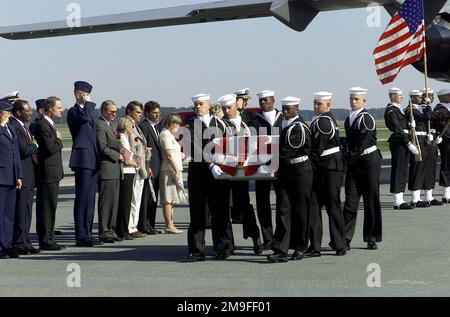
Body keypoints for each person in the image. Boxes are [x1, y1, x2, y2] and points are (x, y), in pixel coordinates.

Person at [183, 93, 233, 261]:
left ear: (208, 105)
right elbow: (193, 148)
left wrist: (225, 164)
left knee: (220, 211)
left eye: (201, 103)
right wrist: (210, 164)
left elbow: (228, 144)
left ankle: (223, 247)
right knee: (198, 213)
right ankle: (196, 250)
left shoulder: (220, 123)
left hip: (219, 172)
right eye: (195, 104)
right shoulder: (189, 125)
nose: (197, 106)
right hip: (199, 172)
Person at [267, 96, 313, 262]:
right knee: (283, 209)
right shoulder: (283, 124)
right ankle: (281, 248)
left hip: (300, 171)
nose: (285, 112)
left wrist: (266, 159)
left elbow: (289, 150)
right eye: (284, 108)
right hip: (285, 171)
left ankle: (300, 247)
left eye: (289, 109)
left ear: (297, 109)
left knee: (301, 210)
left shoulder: (299, 127)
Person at [220, 93, 263, 255]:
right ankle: (227, 245)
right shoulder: (220, 124)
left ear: (236, 106)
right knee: (223, 207)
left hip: (242, 171)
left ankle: (255, 237)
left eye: (229, 107)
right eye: (224, 108)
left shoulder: (247, 123)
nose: (226, 111)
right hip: (225, 170)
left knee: (245, 205)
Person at [342, 87, 382, 250]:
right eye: (351, 99)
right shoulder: (348, 119)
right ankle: (344, 238)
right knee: (350, 201)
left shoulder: (367, 119)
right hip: (355, 163)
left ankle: (371, 237)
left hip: (368, 162)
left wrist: (347, 158)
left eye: (356, 99)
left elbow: (362, 143)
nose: (353, 102)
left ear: (363, 101)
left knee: (370, 200)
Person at [307, 91, 346, 257]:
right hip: (324, 166)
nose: (316, 106)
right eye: (315, 103)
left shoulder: (323, 121)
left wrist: (308, 165)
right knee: (315, 207)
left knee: (332, 206)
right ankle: (315, 246)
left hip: (329, 167)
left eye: (319, 104)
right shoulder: (322, 119)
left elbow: (318, 148)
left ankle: (339, 244)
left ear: (328, 105)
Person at [249, 90, 283, 251]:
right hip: (262, 165)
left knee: (283, 203)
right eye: (261, 100)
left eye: (266, 100)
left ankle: (281, 238)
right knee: (262, 204)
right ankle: (268, 239)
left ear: (273, 100)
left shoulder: (282, 118)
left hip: (280, 165)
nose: (263, 103)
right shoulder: (255, 120)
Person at [67, 81, 99, 247]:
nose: (88, 97)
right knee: (82, 198)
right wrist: (89, 104)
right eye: (85, 94)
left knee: (90, 199)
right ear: (77, 94)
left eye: (89, 95)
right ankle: (80, 235)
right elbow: (84, 119)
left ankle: (88, 233)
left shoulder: (87, 112)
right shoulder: (74, 112)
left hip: (92, 159)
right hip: (82, 159)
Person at [34, 97, 65, 251]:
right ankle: (46, 240)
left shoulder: (49, 124)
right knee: (47, 207)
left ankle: (49, 237)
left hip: (53, 172)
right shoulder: (43, 125)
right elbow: (49, 148)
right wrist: (59, 140)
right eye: (59, 107)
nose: (61, 110)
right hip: (48, 173)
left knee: (50, 207)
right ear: (50, 108)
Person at [10, 100, 41, 254]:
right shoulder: (15, 127)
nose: (30, 112)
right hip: (23, 175)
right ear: (18, 112)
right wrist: (35, 145)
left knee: (27, 210)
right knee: (21, 210)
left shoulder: (24, 127)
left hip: (29, 175)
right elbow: (23, 150)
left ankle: (26, 241)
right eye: (27, 110)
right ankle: (19, 242)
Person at [384, 88, 416, 209]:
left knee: (403, 170)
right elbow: (397, 129)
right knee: (398, 170)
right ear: (392, 97)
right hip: (399, 142)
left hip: (403, 141)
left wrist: (410, 124)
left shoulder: (398, 110)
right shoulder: (391, 111)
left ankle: (401, 198)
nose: (401, 97)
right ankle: (397, 200)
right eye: (399, 95)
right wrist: (408, 143)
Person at [96, 100, 123, 243]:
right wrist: (117, 156)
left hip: (115, 169)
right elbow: (102, 147)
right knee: (106, 203)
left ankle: (111, 230)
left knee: (114, 202)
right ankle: (104, 231)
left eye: (115, 112)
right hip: (107, 168)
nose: (114, 114)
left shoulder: (111, 125)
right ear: (103, 111)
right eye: (111, 111)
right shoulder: (100, 125)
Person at [0, 100, 23, 259]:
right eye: (6, 113)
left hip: (12, 176)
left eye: (9, 113)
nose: (9, 116)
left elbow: (16, 154)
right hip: (1, 177)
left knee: (9, 215)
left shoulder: (11, 129)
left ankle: (7, 245)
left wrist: (19, 175)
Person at [126, 101, 150, 238]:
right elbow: (128, 147)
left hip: (140, 167)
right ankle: (130, 226)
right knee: (133, 198)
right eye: (138, 112)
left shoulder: (137, 127)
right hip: (134, 166)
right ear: (129, 112)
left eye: (141, 112)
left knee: (137, 199)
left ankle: (133, 225)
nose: (140, 115)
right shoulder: (128, 126)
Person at [159, 113, 186, 234]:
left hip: (173, 169)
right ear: (170, 123)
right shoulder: (165, 135)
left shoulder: (170, 135)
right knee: (168, 199)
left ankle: (171, 224)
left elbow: (174, 153)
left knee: (172, 199)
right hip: (168, 169)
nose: (178, 127)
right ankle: (168, 225)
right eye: (176, 124)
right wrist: (176, 170)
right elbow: (168, 154)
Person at [138, 101, 162, 235]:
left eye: (158, 112)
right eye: (154, 113)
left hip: (157, 167)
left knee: (153, 198)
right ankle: (144, 224)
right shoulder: (144, 126)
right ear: (147, 113)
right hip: (150, 168)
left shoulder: (155, 127)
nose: (157, 115)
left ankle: (150, 224)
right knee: (146, 198)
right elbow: (143, 149)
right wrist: (146, 166)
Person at [405, 90, 431, 207]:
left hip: (423, 139)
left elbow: (429, 118)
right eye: (419, 97)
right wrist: (427, 107)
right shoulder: (410, 110)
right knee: (416, 169)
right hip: (416, 140)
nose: (421, 99)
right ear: (413, 98)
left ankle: (420, 197)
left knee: (422, 169)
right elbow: (426, 117)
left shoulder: (418, 108)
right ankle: (415, 198)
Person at [116, 116, 139, 240]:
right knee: (125, 202)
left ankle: (122, 229)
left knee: (126, 201)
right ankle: (123, 230)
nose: (132, 129)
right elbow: (127, 159)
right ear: (125, 126)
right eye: (131, 126)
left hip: (128, 171)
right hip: (127, 171)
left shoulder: (123, 137)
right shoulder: (123, 138)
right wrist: (136, 163)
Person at [420, 88, 442, 206]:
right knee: (424, 169)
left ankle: (429, 195)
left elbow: (435, 122)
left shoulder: (431, 108)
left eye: (431, 96)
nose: (430, 97)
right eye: (427, 95)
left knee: (432, 169)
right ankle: (420, 197)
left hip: (432, 142)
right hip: (424, 142)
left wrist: (437, 135)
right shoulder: (419, 108)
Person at [428, 89, 450, 203]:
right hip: (446, 141)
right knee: (446, 165)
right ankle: (446, 194)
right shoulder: (440, 109)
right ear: (444, 97)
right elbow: (438, 119)